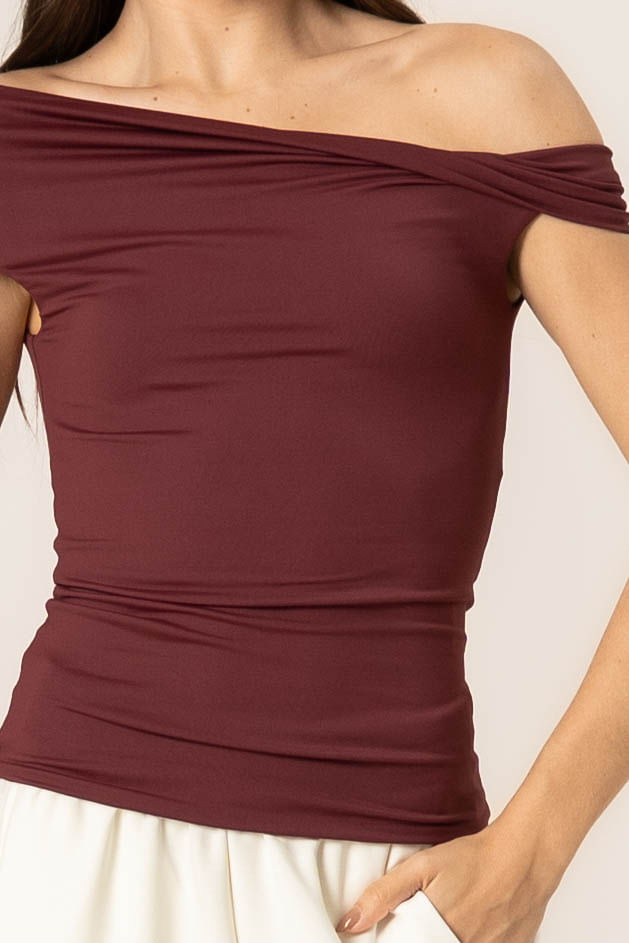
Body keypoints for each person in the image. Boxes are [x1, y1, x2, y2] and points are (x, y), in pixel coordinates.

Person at [0, 1, 628, 940]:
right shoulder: (22, 139)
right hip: (74, 853)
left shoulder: (486, 97)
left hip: (386, 880)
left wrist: (529, 857)